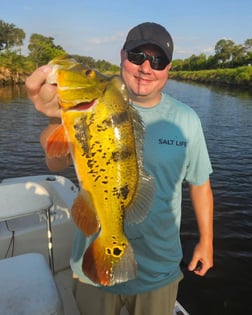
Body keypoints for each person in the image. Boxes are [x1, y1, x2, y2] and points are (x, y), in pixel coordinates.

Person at [26, 22, 214, 315]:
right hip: (94, 268)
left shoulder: (187, 119)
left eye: (158, 60)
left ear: (169, 68)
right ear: (122, 55)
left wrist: (206, 241)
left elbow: (200, 184)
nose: (146, 68)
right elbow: (55, 161)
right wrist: (55, 118)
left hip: (159, 270)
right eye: (137, 56)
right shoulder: (90, 105)